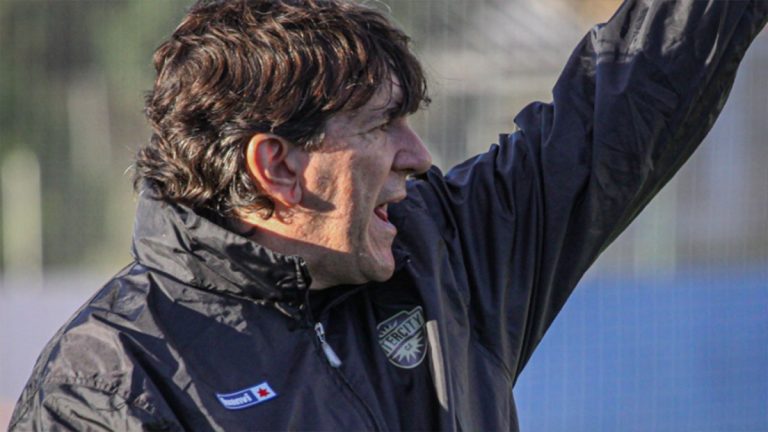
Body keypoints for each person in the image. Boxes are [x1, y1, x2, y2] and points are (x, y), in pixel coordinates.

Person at [9, 0, 767, 430]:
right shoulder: (114, 380)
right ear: (275, 165)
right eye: (381, 126)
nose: (419, 156)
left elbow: (624, 107)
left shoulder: (444, 253)